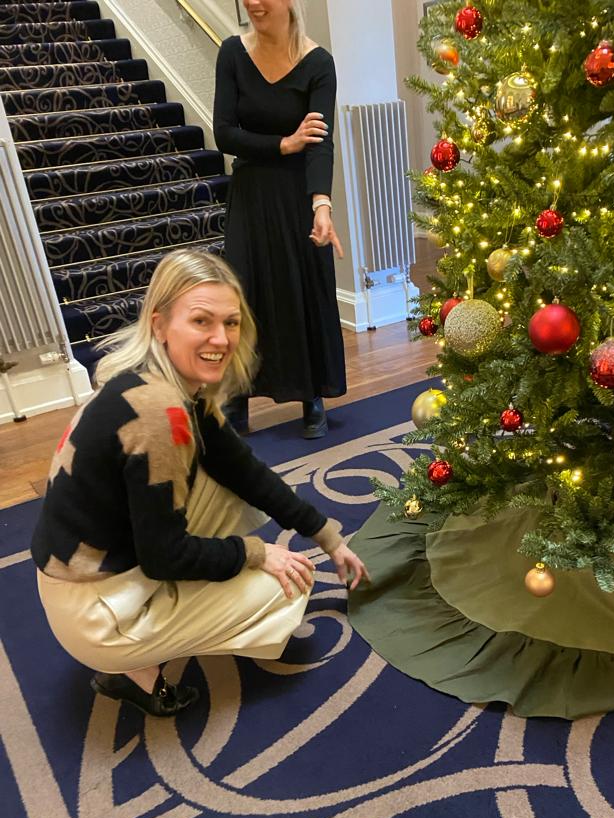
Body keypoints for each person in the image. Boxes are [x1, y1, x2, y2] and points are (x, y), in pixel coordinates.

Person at [32, 250, 368, 717]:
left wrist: (327, 537)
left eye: (231, 323)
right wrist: (255, 553)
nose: (221, 339)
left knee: (221, 479)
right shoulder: (161, 413)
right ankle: (131, 667)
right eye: (201, 321)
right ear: (159, 324)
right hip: (96, 611)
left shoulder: (155, 381)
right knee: (287, 586)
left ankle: (150, 627)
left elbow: (243, 470)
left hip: (84, 574)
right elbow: (163, 556)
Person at [213, 0, 346, 439]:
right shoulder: (232, 53)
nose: (253, 3)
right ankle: (238, 395)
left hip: (296, 196)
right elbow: (224, 132)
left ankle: (311, 395)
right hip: (250, 194)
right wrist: (283, 144)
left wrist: (322, 205)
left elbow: (320, 143)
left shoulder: (318, 63)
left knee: (302, 288)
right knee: (244, 294)